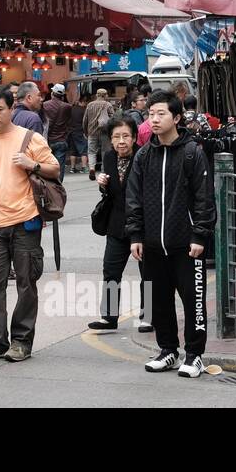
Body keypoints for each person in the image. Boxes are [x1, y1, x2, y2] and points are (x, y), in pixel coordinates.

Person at [0, 87, 60, 362]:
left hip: (26, 221)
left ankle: (21, 341)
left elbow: (54, 169)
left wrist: (32, 164)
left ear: (11, 109)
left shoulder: (30, 138)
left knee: (26, 283)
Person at [126, 91, 216, 379]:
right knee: (158, 301)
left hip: (186, 245)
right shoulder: (143, 155)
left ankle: (194, 355)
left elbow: (204, 198)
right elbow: (133, 198)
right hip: (152, 245)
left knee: (193, 301)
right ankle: (167, 350)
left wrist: (200, 235)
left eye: (161, 113)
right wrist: (135, 235)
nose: (154, 119)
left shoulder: (192, 153)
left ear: (176, 118)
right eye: (151, 113)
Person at [86, 116, 152, 334]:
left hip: (143, 225)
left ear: (134, 137)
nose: (121, 141)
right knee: (111, 270)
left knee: (148, 273)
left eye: (125, 136)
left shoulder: (145, 156)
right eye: (116, 137)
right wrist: (102, 184)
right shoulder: (109, 157)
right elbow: (112, 193)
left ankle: (148, 316)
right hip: (116, 225)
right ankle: (109, 316)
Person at [42, 84, 72, 181]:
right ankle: (58, 186)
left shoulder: (44, 105)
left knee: (47, 166)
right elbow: (68, 122)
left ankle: (49, 186)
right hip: (61, 139)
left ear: (52, 93)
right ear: (62, 95)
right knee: (59, 167)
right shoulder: (67, 107)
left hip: (47, 140)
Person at [84, 88, 113, 180]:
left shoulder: (90, 105)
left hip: (92, 132)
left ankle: (92, 168)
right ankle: (103, 170)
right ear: (106, 95)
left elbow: (85, 119)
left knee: (91, 151)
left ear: (97, 95)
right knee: (105, 151)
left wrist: (85, 131)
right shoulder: (108, 105)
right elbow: (113, 118)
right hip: (105, 132)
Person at [67, 93, 88, 175]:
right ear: (83, 101)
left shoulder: (71, 109)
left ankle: (72, 168)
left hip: (71, 132)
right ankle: (84, 167)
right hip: (80, 132)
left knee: (73, 151)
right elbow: (85, 122)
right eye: (85, 102)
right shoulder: (83, 110)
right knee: (84, 150)